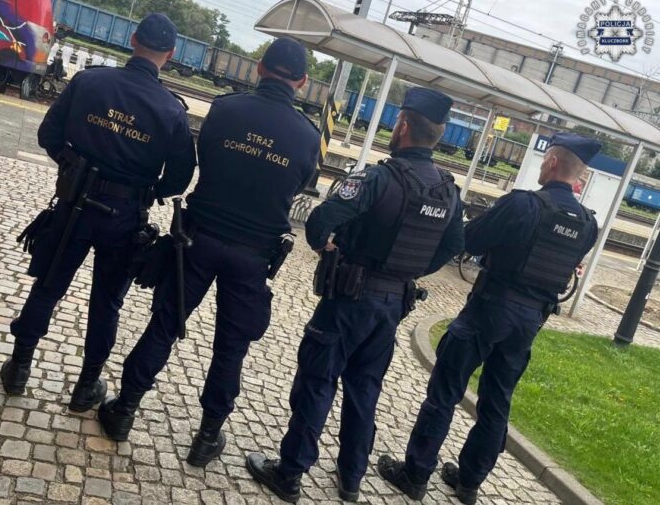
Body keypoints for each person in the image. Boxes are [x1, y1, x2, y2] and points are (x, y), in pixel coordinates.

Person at [97, 38, 320, 454]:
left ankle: (124, 409)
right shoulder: (308, 136)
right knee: (231, 348)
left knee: (164, 324)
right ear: (303, 82)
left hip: (197, 241)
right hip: (254, 255)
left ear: (260, 67)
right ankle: (207, 436)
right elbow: (302, 183)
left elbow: (207, 157)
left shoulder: (225, 108)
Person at [246, 87, 466, 503]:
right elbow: (455, 244)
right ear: (437, 135)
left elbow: (322, 219)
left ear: (403, 126)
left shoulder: (379, 177)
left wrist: (323, 245)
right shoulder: (448, 191)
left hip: (349, 299)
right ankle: (351, 478)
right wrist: (409, 271)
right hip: (393, 304)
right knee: (365, 389)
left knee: (318, 381)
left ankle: (290, 474)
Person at [376, 133, 600, 504]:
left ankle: (415, 474)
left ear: (553, 162)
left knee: (445, 391)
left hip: (489, 310)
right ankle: (469, 483)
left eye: (545, 159)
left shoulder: (524, 204)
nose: (542, 165)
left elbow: (470, 240)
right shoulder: (588, 224)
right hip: (530, 322)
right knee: (497, 404)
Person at [0, 14, 196, 414]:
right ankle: (86, 387)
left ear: (133, 39)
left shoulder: (89, 82)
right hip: (125, 217)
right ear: (171, 54)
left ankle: (19, 368)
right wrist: (147, 192)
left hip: (75, 203)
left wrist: (72, 167)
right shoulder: (171, 110)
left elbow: (48, 135)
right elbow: (180, 176)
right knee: (107, 303)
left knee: (48, 286)